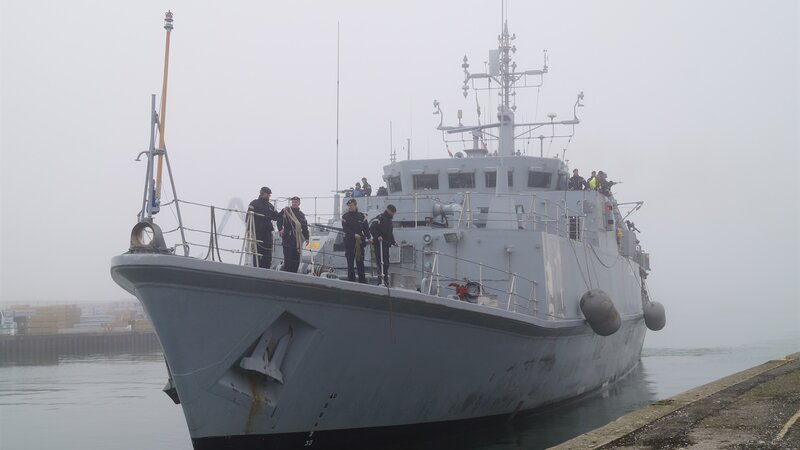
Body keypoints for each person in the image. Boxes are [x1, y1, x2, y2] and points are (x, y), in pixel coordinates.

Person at [247, 187, 280, 268]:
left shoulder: (270, 206)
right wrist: (249, 230)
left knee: (268, 252)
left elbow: (276, 217)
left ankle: (266, 270)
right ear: (263, 193)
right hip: (257, 231)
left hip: (267, 232)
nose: (269, 196)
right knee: (257, 252)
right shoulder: (254, 203)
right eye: (268, 194)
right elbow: (249, 217)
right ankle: (257, 268)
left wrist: (283, 212)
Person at [277, 196, 310, 273]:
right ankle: (287, 275)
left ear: (299, 203)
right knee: (288, 258)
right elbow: (279, 219)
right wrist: (280, 229)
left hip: (297, 240)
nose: (294, 203)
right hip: (288, 238)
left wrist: (307, 238)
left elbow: (304, 227)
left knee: (296, 259)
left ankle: (294, 274)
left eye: (296, 202)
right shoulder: (286, 211)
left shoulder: (301, 215)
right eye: (293, 202)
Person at [341, 198, 371, 283]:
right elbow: (346, 229)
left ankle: (362, 282)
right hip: (349, 244)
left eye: (351, 205)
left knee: (360, 264)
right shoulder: (345, 217)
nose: (350, 207)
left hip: (359, 244)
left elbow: (366, 228)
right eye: (349, 205)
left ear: (355, 205)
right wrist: (354, 235)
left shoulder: (361, 216)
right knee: (350, 265)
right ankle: (351, 282)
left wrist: (369, 238)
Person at [369, 204, 397, 286]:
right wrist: (377, 236)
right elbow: (372, 228)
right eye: (392, 212)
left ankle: (385, 280)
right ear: (388, 210)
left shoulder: (389, 221)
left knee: (386, 263)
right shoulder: (380, 218)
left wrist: (393, 242)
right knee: (380, 262)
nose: (393, 214)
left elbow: (390, 233)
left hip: (386, 244)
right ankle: (381, 280)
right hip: (379, 244)